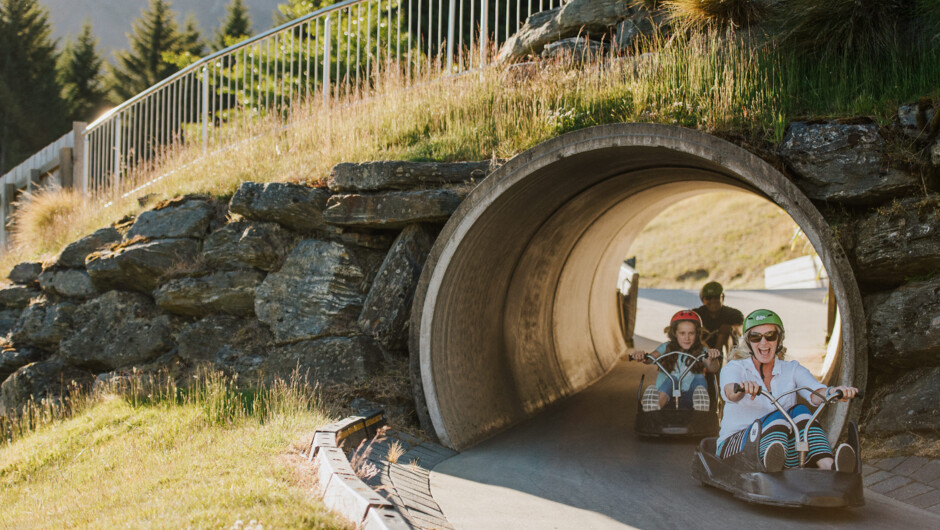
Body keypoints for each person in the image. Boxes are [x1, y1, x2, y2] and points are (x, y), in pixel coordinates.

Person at [717, 309, 859, 473]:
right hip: (736, 446)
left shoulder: (792, 369)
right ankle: (771, 466)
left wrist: (834, 392)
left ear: (779, 340)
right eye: (756, 337)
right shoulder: (735, 368)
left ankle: (830, 466)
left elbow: (815, 392)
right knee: (778, 416)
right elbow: (730, 391)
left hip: (780, 445)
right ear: (748, 342)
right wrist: (742, 389)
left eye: (770, 335)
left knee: (800, 411)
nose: (763, 343)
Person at [629, 310, 722, 412]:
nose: (687, 338)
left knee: (699, 378)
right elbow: (650, 358)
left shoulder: (702, 350)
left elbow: (714, 368)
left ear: (698, 334)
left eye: (691, 333)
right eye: (682, 333)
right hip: (667, 398)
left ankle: (700, 407)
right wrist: (642, 356)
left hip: (689, 398)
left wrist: (712, 359)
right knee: (672, 379)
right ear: (674, 333)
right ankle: (655, 405)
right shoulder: (666, 347)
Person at [693, 281, 744, 351]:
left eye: (716, 297)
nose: (713, 301)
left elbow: (742, 330)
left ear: (722, 297)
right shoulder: (695, 314)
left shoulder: (734, 314)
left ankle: (720, 357)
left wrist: (732, 328)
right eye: (708, 298)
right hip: (702, 351)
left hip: (729, 353)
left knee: (725, 333)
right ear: (702, 300)